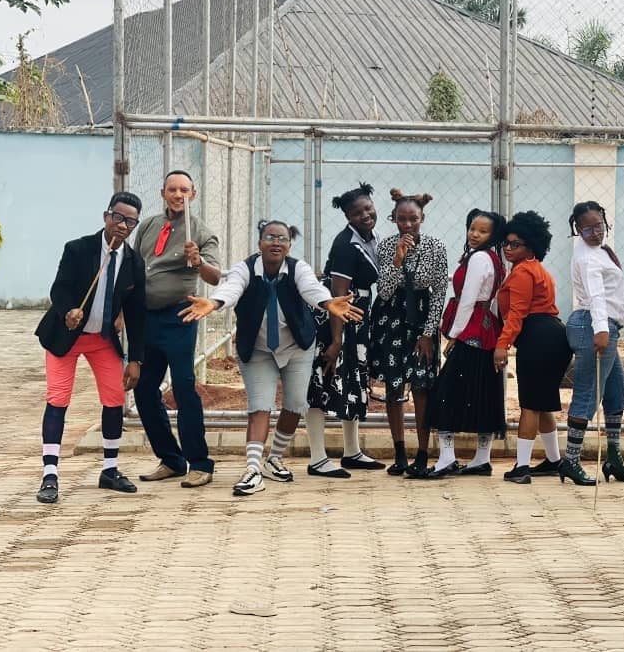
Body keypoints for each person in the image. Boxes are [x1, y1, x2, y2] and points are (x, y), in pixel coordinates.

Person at [180, 221, 362, 496]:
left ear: (289, 246)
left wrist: (327, 303)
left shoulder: (297, 268)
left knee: (295, 405)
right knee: (260, 407)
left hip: (297, 347)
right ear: (259, 243)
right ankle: (253, 470)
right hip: (258, 349)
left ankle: (274, 458)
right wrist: (214, 303)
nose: (276, 242)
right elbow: (231, 289)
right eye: (270, 237)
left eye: (282, 239)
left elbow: (311, 289)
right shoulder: (245, 269)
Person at [33, 192, 147, 504]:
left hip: (102, 339)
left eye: (130, 222)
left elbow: (137, 314)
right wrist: (68, 311)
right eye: (118, 217)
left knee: (114, 399)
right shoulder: (78, 249)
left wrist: (136, 359)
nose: (122, 225)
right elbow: (59, 288)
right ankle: (50, 474)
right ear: (106, 216)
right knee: (58, 399)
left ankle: (110, 470)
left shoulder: (134, 262)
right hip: (65, 337)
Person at [132, 170, 221, 489]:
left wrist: (197, 262)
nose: (178, 195)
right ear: (163, 193)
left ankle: (200, 463)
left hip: (179, 317)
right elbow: (134, 266)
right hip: (146, 318)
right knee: (144, 389)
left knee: (183, 387)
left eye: (184, 190)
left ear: (193, 194)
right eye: (172, 189)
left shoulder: (201, 232)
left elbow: (214, 277)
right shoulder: (148, 226)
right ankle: (171, 459)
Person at [307, 182, 386, 474]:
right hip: (336, 318)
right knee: (322, 382)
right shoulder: (346, 244)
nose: (365, 215)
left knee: (352, 382)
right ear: (347, 217)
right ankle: (317, 457)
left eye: (368, 208)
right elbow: (338, 295)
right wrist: (336, 340)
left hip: (357, 317)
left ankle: (352, 451)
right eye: (356, 213)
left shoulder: (372, 237)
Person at [369, 189, 448, 478]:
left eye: (413, 219)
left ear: (422, 218)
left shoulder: (436, 247)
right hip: (392, 319)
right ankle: (399, 454)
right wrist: (398, 258)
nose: (408, 224)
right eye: (401, 219)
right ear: (394, 219)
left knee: (422, 387)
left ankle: (423, 453)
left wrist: (428, 333)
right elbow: (384, 291)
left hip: (422, 318)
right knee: (394, 387)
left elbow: (439, 292)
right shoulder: (386, 246)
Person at [428, 208, 508, 477]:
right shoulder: (494, 259)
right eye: (472, 228)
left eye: (483, 231)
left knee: (445, 392)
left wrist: (454, 334)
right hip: (487, 330)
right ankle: (481, 458)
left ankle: (446, 457)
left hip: (471, 329)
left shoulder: (479, 259)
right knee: (484, 392)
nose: (474, 234)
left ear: (493, 235)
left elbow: (468, 299)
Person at [563, 201, 624, 486]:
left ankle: (614, 458)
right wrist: (601, 330)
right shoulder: (588, 257)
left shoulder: (599, 250)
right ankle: (571, 460)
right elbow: (596, 295)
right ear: (577, 230)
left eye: (599, 226)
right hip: (594, 325)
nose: (595, 233)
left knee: (617, 391)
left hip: (607, 326)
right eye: (587, 229)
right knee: (587, 393)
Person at [495, 211, 573, 484]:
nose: (508, 248)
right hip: (552, 336)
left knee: (529, 404)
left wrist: (502, 345)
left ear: (531, 246)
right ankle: (553, 460)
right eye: (506, 242)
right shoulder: (536, 268)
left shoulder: (522, 272)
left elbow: (517, 313)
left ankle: (522, 467)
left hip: (537, 337)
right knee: (542, 402)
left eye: (515, 244)